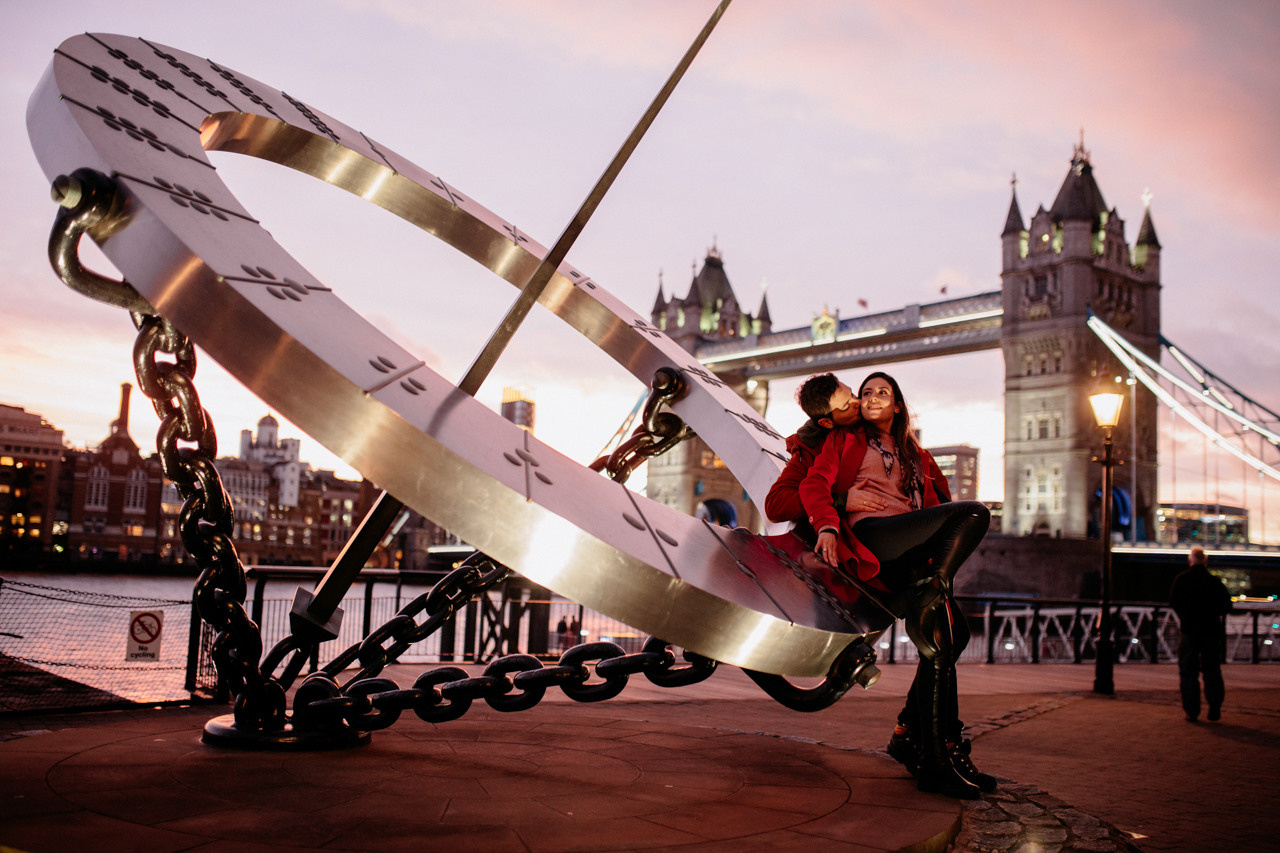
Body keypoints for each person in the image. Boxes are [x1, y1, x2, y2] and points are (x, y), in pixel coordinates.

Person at [792, 371, 992, 799]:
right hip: (875, 537)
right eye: (865, 392)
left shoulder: (916, 453)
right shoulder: (845, 440)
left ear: (897, 404)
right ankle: (939, 754)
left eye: (883, 391)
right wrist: (828, 525)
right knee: (973, 513)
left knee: (950, 639)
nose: (872, 396)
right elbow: (813, 485)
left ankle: (920, 742)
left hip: (913, 548)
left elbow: (936, 503)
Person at [1170, 546, 1232, 722]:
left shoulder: (1181, 580)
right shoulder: (1215, 582)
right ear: (1205, 561)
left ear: (1190, 561)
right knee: (1212, 669)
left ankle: (1192, 710)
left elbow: (1174, 602)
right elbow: (1227, 605)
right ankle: (1214, 706)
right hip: (1211, 631)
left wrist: (1186, 615)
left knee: (1188, 671)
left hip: (1189, 631)